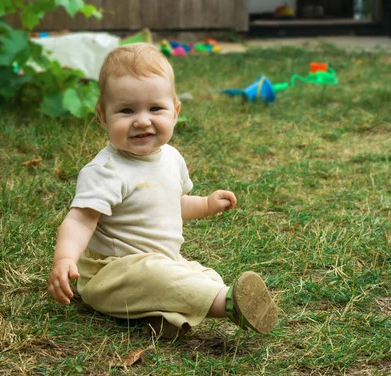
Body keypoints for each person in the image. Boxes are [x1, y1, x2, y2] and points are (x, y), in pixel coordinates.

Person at [47, 43, 277, 338]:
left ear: (175, 112)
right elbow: (80, 220)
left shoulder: (171, 158)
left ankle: (164, 319)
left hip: (163, 263)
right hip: (112, 273)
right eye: (126, 110)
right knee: (161, 278)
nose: (142, 120)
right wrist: (64, 259)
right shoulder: (106, 171)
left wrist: (206, 204)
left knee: (202, 275)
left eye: (155, 108)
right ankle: (230, 304)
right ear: (103, 116)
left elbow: (173, 204)